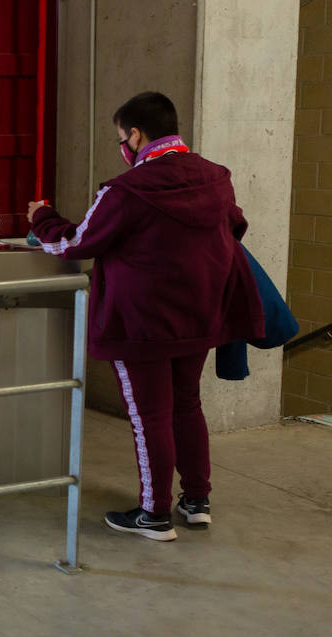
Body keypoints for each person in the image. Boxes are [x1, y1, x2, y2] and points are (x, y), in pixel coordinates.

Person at [27, 91, 263, 542]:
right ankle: (196, 501)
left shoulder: (127, 190)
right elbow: (235, 225)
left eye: (122, 138)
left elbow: (76, 243)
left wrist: (43, 218)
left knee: (149, 415)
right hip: (200, 314)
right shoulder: (215, 178)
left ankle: (154, 515)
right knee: (186, 404)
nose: (123, 146)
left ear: (135, 135)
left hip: (139, 323)